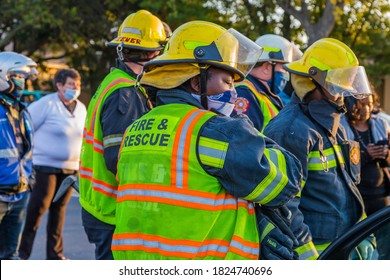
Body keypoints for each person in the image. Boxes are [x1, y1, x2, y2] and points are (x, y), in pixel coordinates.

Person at [112, 20, 303, 260]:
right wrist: (242, 125)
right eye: (227, 82)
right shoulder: (215, 131)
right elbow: (286, 181)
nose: (233, 93)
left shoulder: (135, 129)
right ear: (195, 82)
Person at [263, 38, 376, 259]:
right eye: (339, 82)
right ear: (315, 81)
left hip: (346, 245)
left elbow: (349, 190)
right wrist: (310, 259)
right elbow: (284, 208)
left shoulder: (335, 127)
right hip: (321, 253)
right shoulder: (289, 130)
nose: (344, 91)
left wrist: (363, 235)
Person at [78, 10, 168, 260]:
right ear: (152, 54)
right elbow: (119, 160)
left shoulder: (114, 82)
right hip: (113, 212)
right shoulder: (126, 93)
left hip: (101, 206)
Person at [18, 68, 86, 260]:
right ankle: (21, 255)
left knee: (59, 212)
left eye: (78, 85)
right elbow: (26, 128)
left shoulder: (81, 108)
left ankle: (55, 256)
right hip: (45, 166)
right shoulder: (46, 104)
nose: (75, 88)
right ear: (59, 85)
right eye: (71, 85)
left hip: (70, 168)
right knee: (37, 211)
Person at [0, 51, 39, 260]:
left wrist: (28, 178)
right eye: (18, 76)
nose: (23, 82)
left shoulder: (21, 109)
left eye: (24, 77)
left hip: (19, 193)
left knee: (10, 256)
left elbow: (25, 150)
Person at [343, 92, 390, 259]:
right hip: (357, 197)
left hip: (381, 195)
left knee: (385, 246)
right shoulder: (341, 125)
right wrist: (366, 154)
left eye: (369, 104)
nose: (366, 109)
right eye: (360, 105)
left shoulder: (381, 123)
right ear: (349, 104)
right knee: (360, 249)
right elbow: (343, 164)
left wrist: (385, 154)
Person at [231, 34, 301, 132]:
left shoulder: (264, 94)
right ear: (266, 67)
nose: (286, 74)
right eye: (283, 69)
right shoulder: (244, 93)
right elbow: (243, 139)